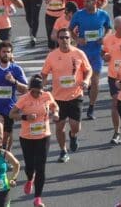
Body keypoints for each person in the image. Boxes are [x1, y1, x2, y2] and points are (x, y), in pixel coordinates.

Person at [40, 27, 93, 162]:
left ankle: (73, 135)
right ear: (57, 40)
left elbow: (88, 70)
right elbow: (44, 73)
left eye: (67, 37)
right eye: (62, 37)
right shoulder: (52, 56)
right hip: (58, 97)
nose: (64, 40)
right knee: (59, 126)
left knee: (76, 126)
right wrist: (42, 84)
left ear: (71, 39)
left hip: (75, 96)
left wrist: (86, 80)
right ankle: (63, 150)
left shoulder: (79, 53)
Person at [14, 75, 59, 207]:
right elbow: (12, 114)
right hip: (27, 137)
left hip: (44, 136)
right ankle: (29, 179)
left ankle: (38, 198)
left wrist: (55, 113)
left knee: (41, 167)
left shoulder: (47, 95)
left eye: (39, 91)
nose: (36, 94)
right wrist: (25, 116)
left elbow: (54, 106)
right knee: (29, 166)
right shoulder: (23, 99)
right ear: (30, 90)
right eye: (34, 91)